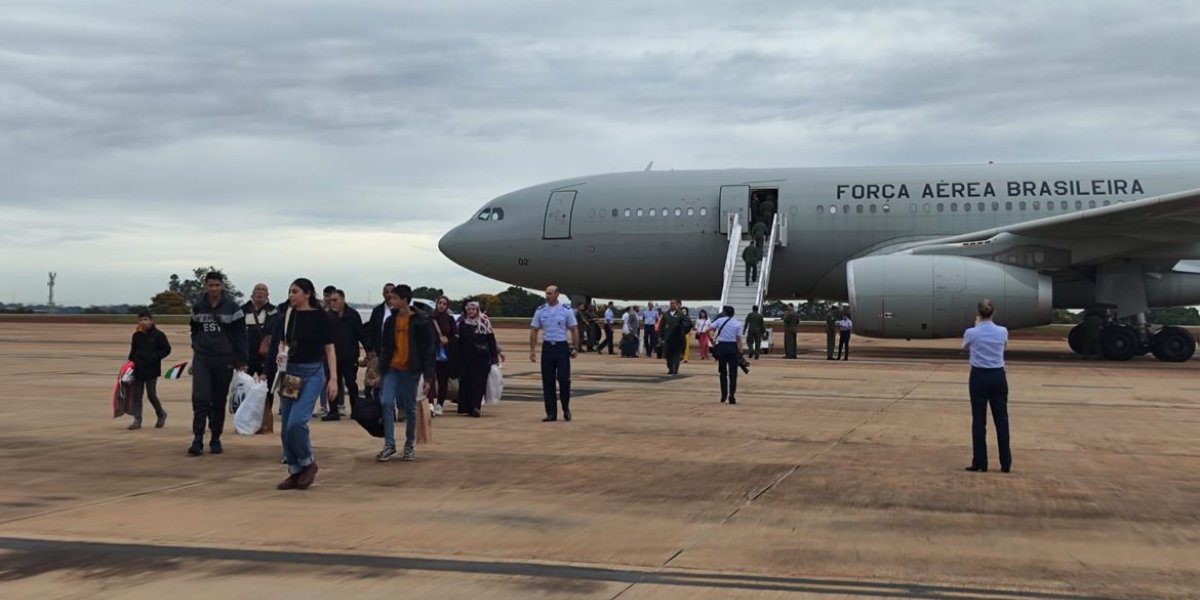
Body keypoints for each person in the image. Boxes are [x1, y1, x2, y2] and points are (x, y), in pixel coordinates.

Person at [274, 278, 337, 491]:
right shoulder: (288, 315)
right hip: (291, 373)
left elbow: (330, 349)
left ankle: (308, 462)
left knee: (297, 422)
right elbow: (283, 341)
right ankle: (295, 470)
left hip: (312, 374)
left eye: (295, 291)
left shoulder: (320, 317)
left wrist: (333, 379)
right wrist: (281, 353)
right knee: (286, 427)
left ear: (307, 294)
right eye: (290, 291)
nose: (291, 295)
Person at [187, 271, 247, 457]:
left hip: (224, 359)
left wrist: (241, 359)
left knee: (218, 400)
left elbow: (240, 335)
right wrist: (196, 348)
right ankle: (197, 439)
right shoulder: (198, 306)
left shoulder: (232, 307)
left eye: (217, 285)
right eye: (210, 285)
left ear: (222, 286)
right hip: (203, 358)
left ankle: (215, 438)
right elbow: (194, 329)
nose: (213, 289)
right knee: (201, 399)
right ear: (205, 286)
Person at [377, 285, 435, 461]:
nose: (391, 300)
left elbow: (428, 350)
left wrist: (428, 377)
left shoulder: (420, 321)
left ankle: (409, 445)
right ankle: (389, 444)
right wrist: (381, 370)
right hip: (392, 368)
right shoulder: (391, 321)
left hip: (411, 370)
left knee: (410, 408)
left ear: (404, 300)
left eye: (394, 298)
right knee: (386, 402)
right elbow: (386, 347)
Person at [961, 299, 1012, 473]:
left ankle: (980, 462)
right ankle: (1005, 462)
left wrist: (977, 326)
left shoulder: (971, 332)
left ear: (978, 313)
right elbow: (1005, 346)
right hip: (998, 376)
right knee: (1001, 420)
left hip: (979, 376)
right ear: (993, 312)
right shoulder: (1002, 331)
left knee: (979, 420)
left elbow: (965, 346)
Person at [530, 285, 579, 422]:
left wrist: (575, 348)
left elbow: (574, 329)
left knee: (564, 379)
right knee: (548, 381)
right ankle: (551, 412)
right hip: (547, 348)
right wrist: (532, 350)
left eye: (550, 293)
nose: (547, 296)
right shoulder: (540, 310)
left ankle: (565, 407)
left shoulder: (566, 310)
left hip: (561, 347)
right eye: (546, 293)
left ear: (557, 294)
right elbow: (534, 330)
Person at [324, 290, 367, 421]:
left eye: (335, 300)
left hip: (350, 356)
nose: (332, 303)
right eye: (331, 300)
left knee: (351, 384)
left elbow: (361, 334)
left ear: (343, 299)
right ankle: (333, 411)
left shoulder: (353, 315)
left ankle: (356, 410)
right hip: (332, 358)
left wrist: (369, 350)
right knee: (332, 383)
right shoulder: (327, 316)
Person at [455, 301, 502, 417]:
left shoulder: (484, 321)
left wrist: (494, 356)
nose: (471, 311)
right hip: (466, 357)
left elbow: (491, 340)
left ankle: (476, 407)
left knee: (479, 382)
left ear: (477, 310)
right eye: (469, 309)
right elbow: (458, 341)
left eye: (473, 309)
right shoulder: (462, 323)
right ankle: (468, 407)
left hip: (481, 357)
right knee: (467, 382)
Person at [126, 310, 171, 430]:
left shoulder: (158, 335)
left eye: (145, 319)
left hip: (152, 370)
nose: (143, 322)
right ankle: (137, 420)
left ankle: (161, 413)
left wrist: (156, 356)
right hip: (138, 369)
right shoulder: (136, 335)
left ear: (152, 321)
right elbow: (133, 350)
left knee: (151, 394)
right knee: (137, 395)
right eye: (140, 320)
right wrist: (129, 364)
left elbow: (166, 349)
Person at [363, 283, 396, 404]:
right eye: (387, 292)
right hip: (378, 351)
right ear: (383, 294)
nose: (389, 294)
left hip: (395, 353)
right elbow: (371, 330)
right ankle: (374, 405)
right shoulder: (377, 311)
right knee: (373, 382)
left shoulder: (399, 311)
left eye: (392, 291)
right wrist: (368, 349)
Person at [428, 296, 457, 416]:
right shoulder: (430, 318)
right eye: (440, 303)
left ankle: (440, 404)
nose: (441, 305)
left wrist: (448, 341)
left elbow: (455, 335)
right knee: (430, 379)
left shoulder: (450, 319)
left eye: (444, 304)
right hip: (431, 353)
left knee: (443, 380)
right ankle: (430, 403)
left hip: (444, 354)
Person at [241, 283, 278, 379]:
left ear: (267, 294)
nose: (260, 292)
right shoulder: (243, 310)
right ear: (252, 293)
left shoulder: (274, 311)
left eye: (263, 290)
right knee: (244, 385)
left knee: (267, 385)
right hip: (247, 356)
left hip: (265, 356)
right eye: (257, 289)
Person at [710, 306, 745, 404]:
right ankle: (732, 395)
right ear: (733, 313)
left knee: (722, 372)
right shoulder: (737, 323)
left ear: (725, 312)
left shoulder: (719, 320)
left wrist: (712, 340)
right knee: (733, 373)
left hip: (722, 347)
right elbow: (738, 339)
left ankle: (723, 395)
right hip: (732, 347)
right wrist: (741, 351)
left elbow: (708, 329)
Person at [659, 299, 691, 375]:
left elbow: (687, 325)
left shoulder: (680, 314)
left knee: (676, 355)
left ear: (676, 304)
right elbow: (661, 326)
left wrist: (683, 332)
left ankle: (675, 369)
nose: (672, 305)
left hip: (677, 339)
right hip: (668, 338)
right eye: (671, 303)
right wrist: (660, 336)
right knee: (668, 355)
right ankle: (670, 367)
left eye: (673, 303)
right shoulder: (665, 314)